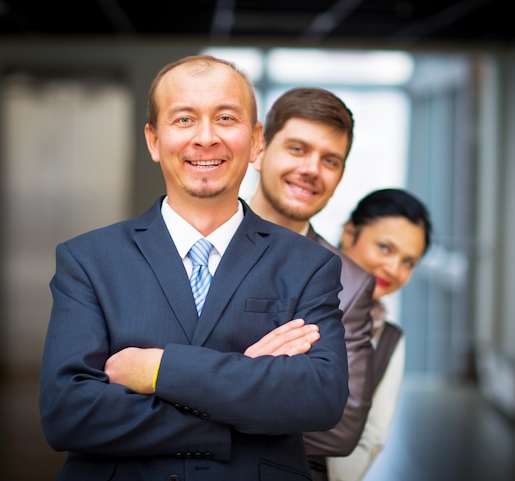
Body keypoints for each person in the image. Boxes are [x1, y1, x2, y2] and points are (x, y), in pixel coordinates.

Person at [38, 55, 350, 481]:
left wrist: (158, 370)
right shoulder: (88, 261)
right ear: (153, 140)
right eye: (184, 119)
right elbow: (67, 413)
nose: (205, 138)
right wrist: (246, 386)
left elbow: (318, 398)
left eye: (225, 118)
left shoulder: (309, 265)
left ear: (257, 140)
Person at [247, 87, 376, 481]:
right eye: (298, 149)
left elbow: (339, 427)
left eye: (330, 160)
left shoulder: (349, 283)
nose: (312, 170)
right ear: (259, 147)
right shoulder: (194, 242)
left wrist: (200, 397)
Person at [326, 188, 433, 481]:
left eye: (408, 261)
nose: (394, 269)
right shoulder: (295, 294)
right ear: (350, 234)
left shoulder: (389, 341)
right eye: (385, 248)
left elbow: (371, 438)